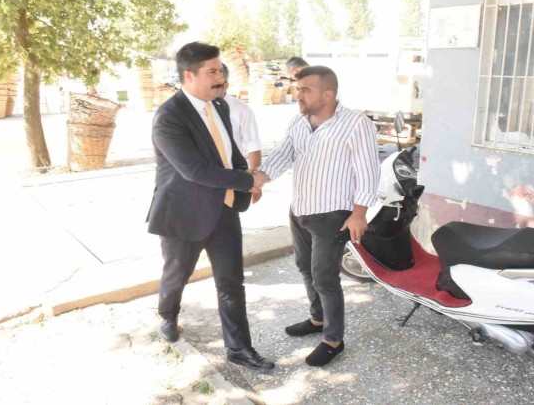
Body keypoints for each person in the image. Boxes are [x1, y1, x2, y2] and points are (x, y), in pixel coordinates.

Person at [147, 41, 274, 372]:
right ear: (189, 76)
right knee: (177, 274)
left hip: (224, 209)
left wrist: (245, 181)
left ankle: (239, 348)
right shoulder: (168, 117)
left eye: (221, 70)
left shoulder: (219, 106)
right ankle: (168, 315)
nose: (221, 78)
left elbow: (230, 153)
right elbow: (195, 170)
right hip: (183, 215)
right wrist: (248, 180)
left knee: (231, 282)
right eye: (213, 72)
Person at [254, 66, 380, 367]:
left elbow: (367, 170)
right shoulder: (299, 121)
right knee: (304, 267)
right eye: (298, 90)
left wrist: (360, 213)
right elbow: (283, 155)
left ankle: (333, 340)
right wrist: (257, 179)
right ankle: (317, 319)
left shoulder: (355, 123)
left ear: (328, 94)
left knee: (324, 277)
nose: (298, 96)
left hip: (333, 214)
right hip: (300, 209)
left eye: (305, 90)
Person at [217, 63, 263, 203]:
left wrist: (254, 182)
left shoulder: (241, 110)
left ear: (225, 85)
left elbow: (253, 146)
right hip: (205, 177)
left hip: (232, 176)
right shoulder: (199, 110)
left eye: (215, 85)